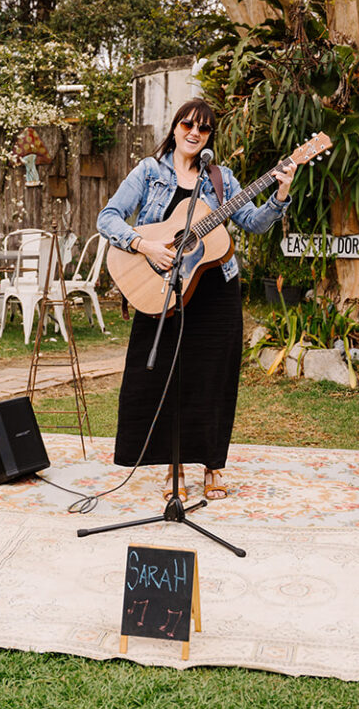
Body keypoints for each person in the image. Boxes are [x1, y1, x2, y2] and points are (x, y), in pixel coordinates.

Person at [97, 98, 301, 500]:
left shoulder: (221, 179)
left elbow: (254, 224)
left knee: (214, 379)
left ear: (210, 137)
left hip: (216, 291)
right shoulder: (148, 172)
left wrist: (281, 193)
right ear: (174, 128)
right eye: (188, 124)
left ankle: (213, 466)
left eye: (203, 129)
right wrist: (145, 246)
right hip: (162, 290)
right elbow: (109, 218)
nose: (194, 132)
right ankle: (173, 467)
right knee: (165, 378)